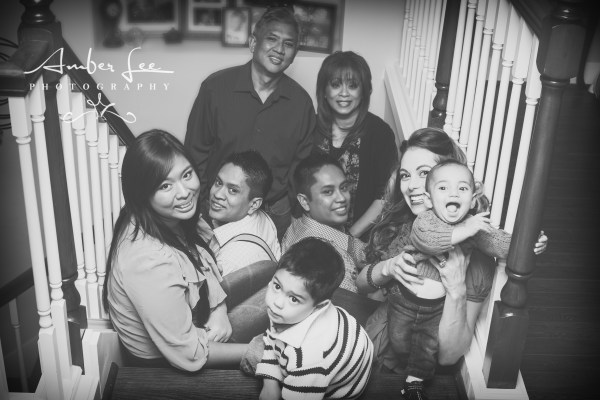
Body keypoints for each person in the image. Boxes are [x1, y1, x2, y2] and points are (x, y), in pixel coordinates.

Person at [355, 128, 548, 400]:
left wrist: (457, 289)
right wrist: (387, 268)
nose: (411, 185)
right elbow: (361, 284)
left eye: (423, 173)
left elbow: (448, 357)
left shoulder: (476, 257)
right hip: (373, 345)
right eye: (405, 175)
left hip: (418, 369)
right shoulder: (403, 224)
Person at [104, 130, 247, 372]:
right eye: (165, 186)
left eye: (187, 175)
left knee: (270, 273)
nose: (184, 192)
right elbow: (190, 354)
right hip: (166, 367)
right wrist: (256, 350)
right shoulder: (148, 260)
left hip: (198, 322)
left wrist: (219, 308)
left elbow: (200, 261)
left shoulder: (168, 216)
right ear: (143, 195)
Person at [185, 6, 315, 240]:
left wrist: (288, 206)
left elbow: (301, 166)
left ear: (295, 53)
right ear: (253, 42)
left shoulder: (301, 103)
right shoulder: (215, 88)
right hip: (217, 206)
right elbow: (196, 151)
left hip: (274, 213)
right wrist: (201, 205)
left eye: (288, 44)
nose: (279, 49)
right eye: (272, 39)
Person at [255, 238, 373, 400]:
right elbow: (272, 340)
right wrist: (270, 383)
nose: (277, 302)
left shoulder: (311, 357)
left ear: (319, 306)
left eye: (294, 299)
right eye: (277, 286)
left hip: (342, 388)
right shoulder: (287, 313)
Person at [313, 51, 398, 239]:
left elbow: (385, 196)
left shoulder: (380, 133)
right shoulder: (310, 126)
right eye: (335, 85)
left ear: (364, 91)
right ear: (324, 91)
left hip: (359, 237)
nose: (344, 93)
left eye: (352, 86)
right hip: (312, 230)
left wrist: (348, 238)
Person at [200, 150, 281, 276]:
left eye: (233, 190)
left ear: (254, 204)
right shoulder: (262, 218)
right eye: (218, 182)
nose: (217, 194)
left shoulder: (230, 260)